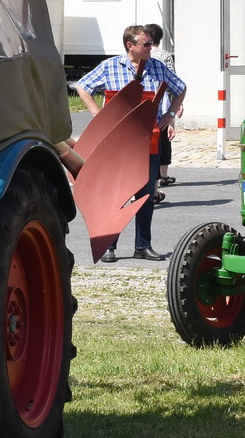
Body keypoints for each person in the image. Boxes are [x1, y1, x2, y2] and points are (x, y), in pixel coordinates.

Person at [74, 24, 186, 263]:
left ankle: (143, 246)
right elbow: (81, 86)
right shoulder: (110, 66)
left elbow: (181, 88)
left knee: (146, 194)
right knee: (116, 193)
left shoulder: (158, 67)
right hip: (118, 143)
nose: (150, 48)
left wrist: (171, 114)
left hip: (149, 141)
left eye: (150, 44)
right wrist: (97, 113)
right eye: (145, 44)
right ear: (130, 46)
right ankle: (109, 246)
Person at [145, 23, 177, 190]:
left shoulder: (141, 54)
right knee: (163, 140)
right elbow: (173, 81)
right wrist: (176, 106)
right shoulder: (164, 55)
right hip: (162, 102)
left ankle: (153, 185)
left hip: (146, 102)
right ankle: (163, 175)